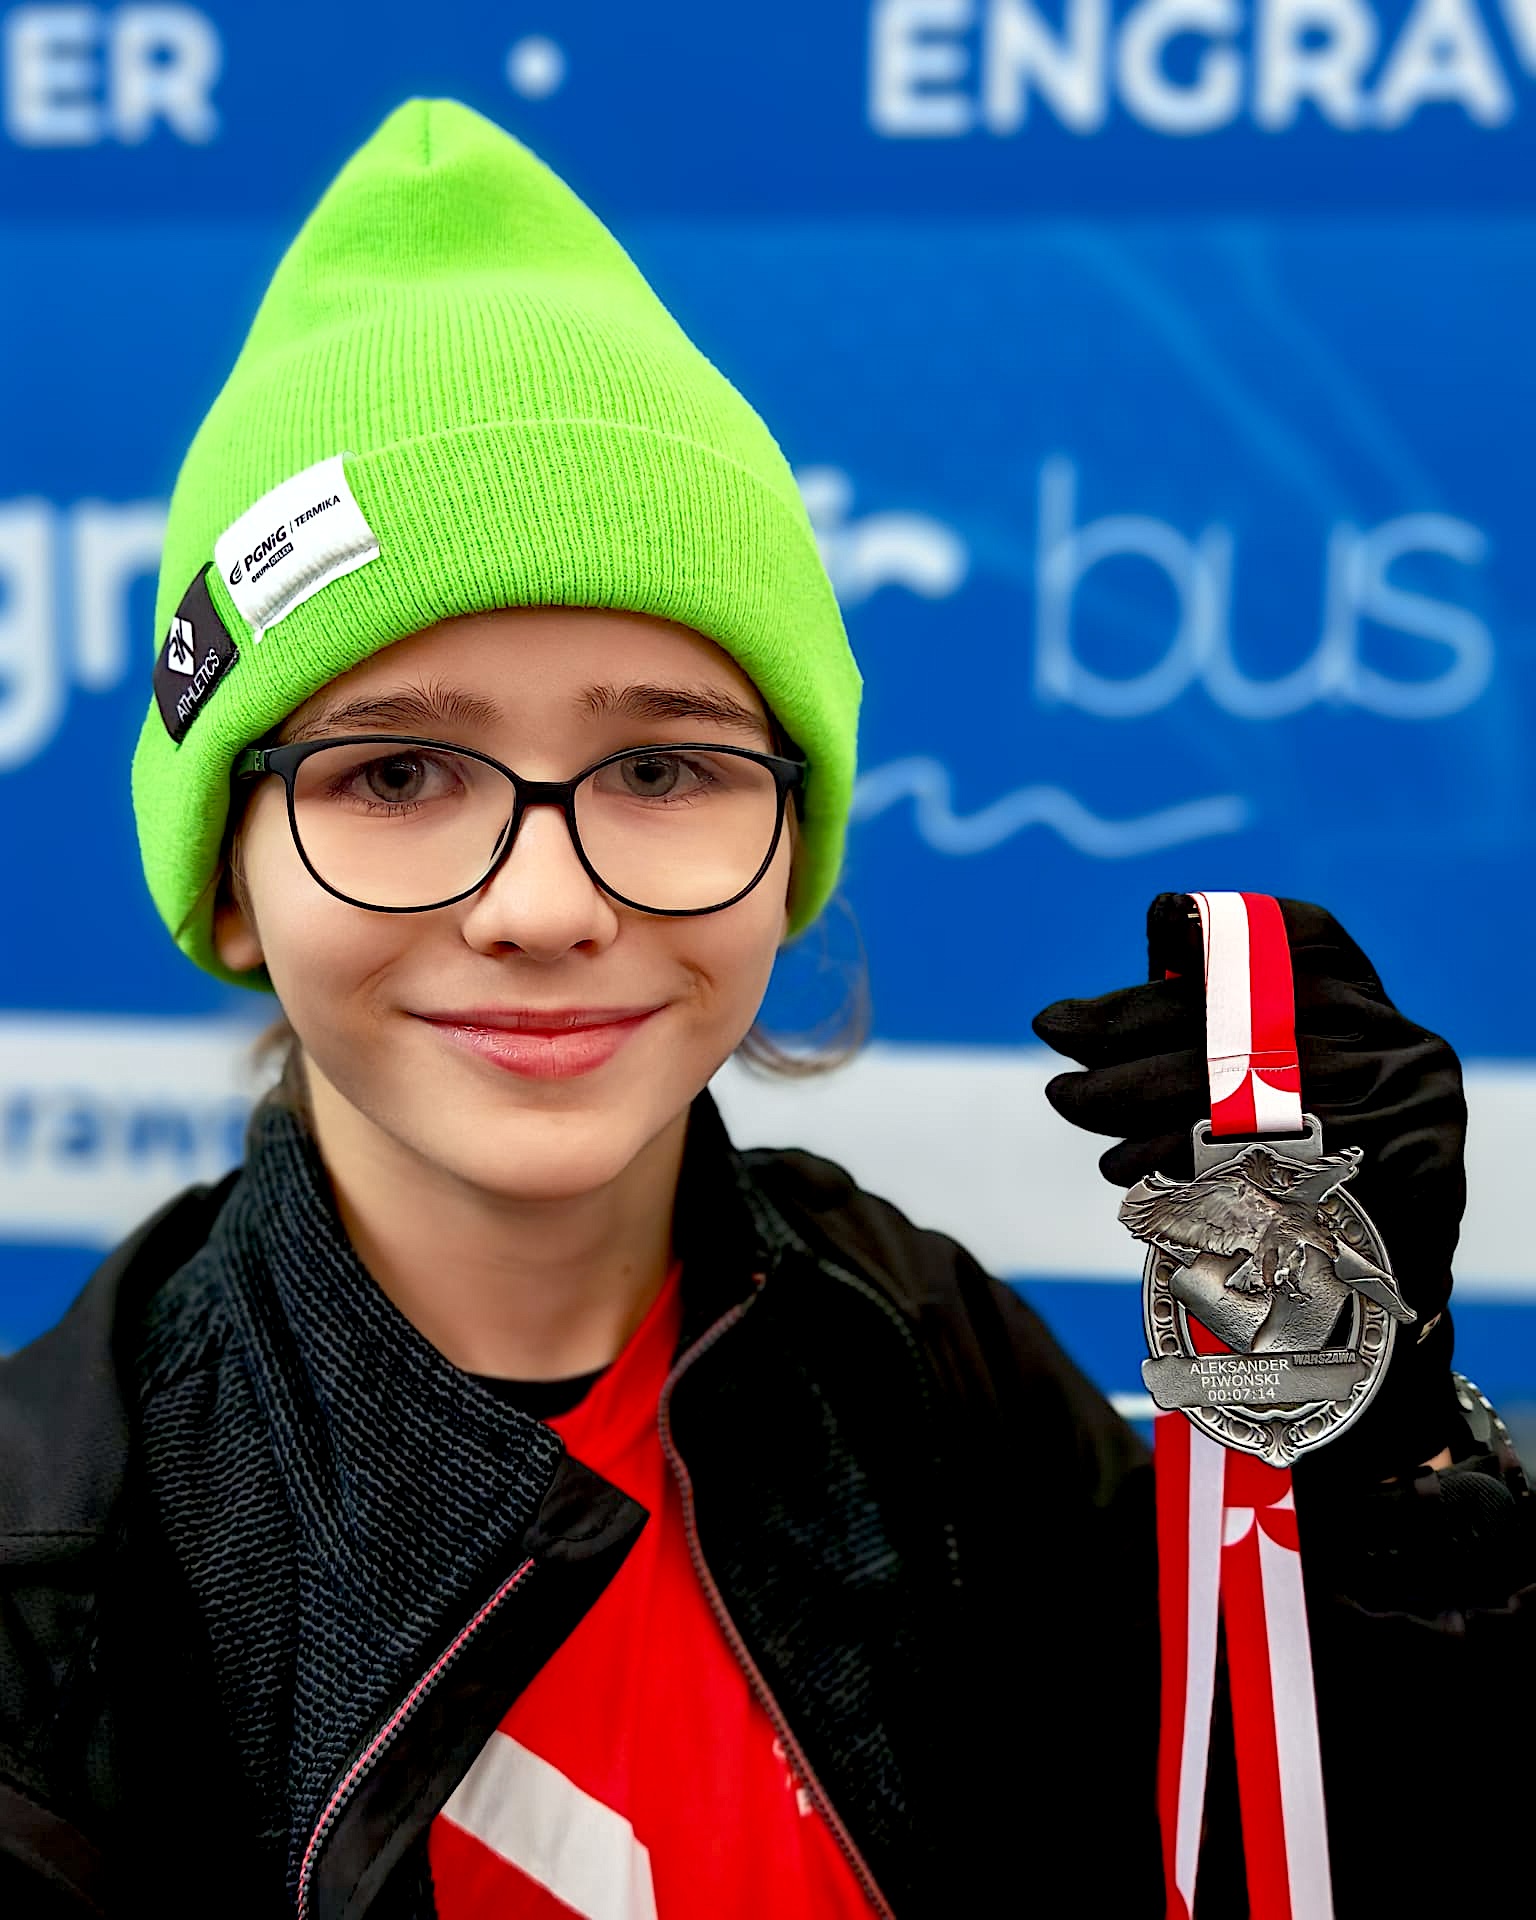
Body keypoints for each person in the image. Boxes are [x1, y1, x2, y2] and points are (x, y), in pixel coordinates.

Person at [0, 98, 1529, 1920]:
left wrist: (1373, 1471)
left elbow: (1317, 1858)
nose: (543, 905)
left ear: (789, 843)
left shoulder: (928, 1380)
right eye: (395, 773)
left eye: (661, 768)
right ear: (230, 876)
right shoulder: (51, 1577)